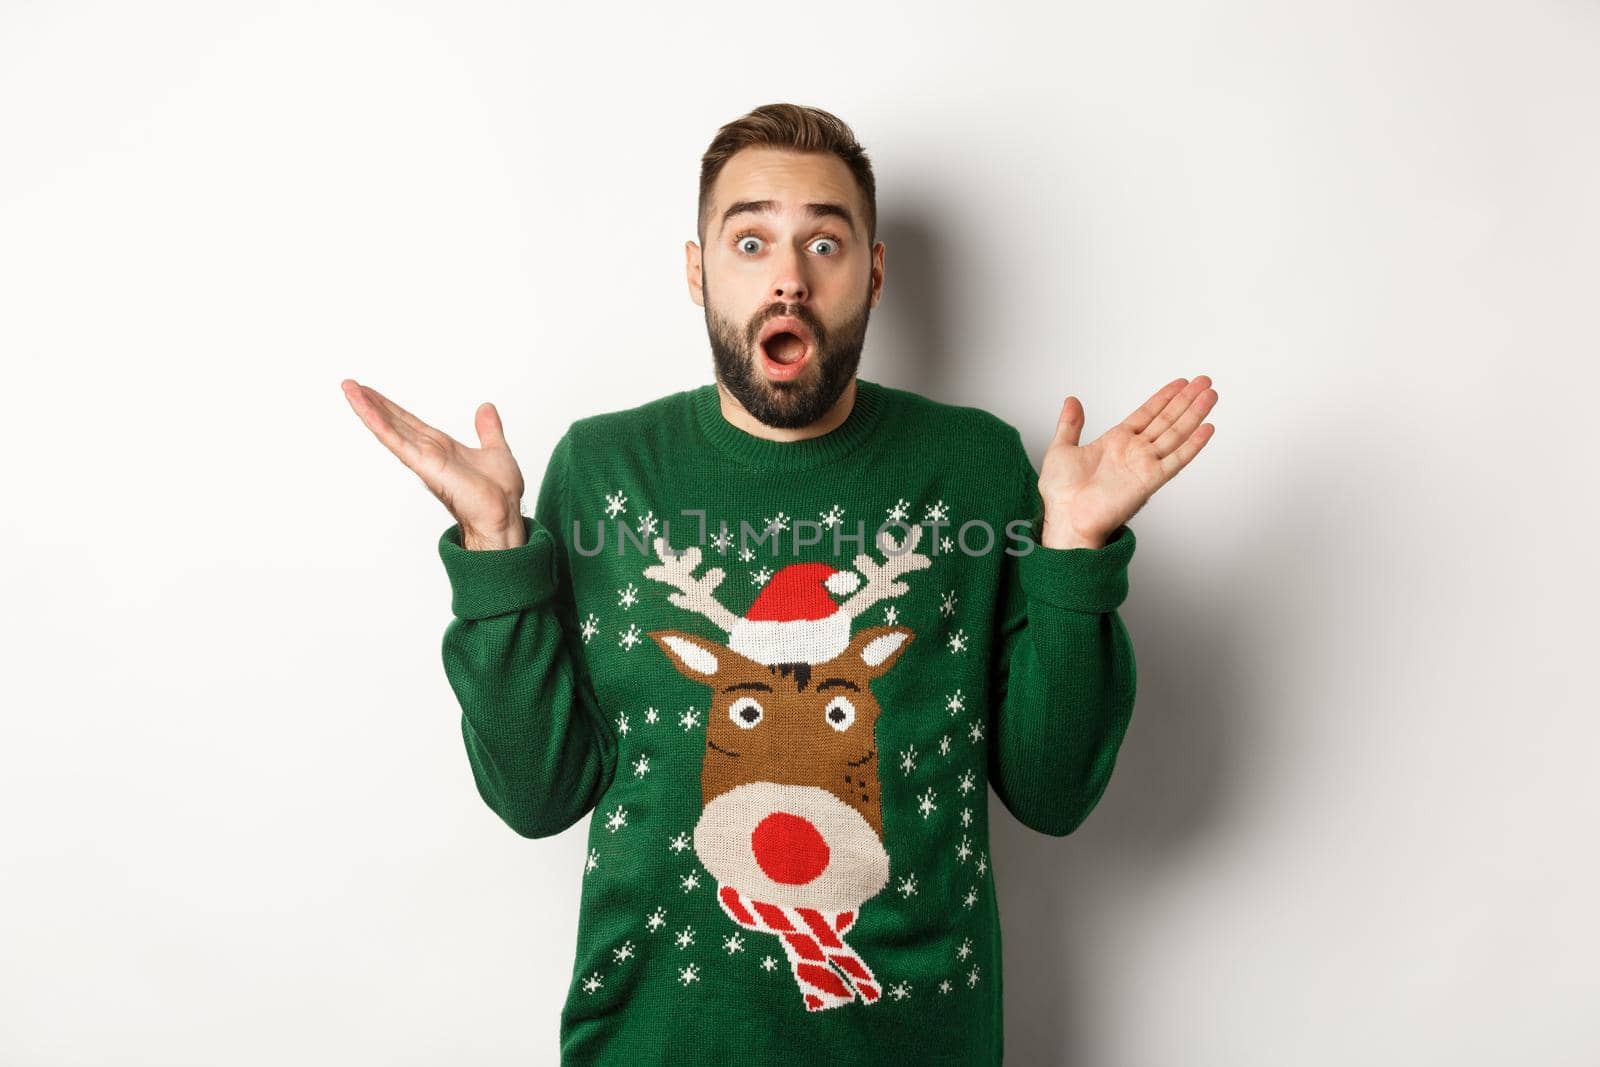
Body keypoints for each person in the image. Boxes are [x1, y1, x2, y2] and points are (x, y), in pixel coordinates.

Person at [342, 102, 1217, 1066]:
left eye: (826, 244)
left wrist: (1075, 552)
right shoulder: (604, 469)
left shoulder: (974, 464)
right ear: (698, 270)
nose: (789, 279)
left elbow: (1053, 792)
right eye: (751, 239)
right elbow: (536, 795)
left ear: (874, 274)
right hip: (653, 1042)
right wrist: (496, 546)